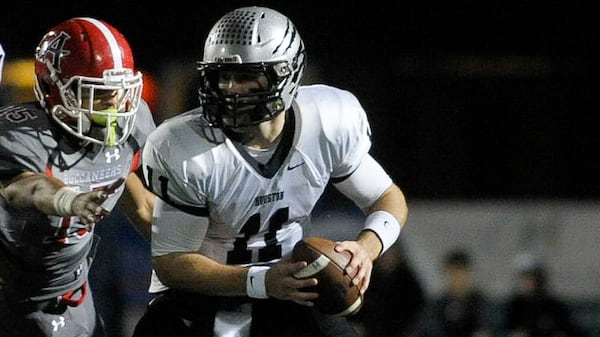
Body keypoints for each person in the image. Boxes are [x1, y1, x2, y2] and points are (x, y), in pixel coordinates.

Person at [132, 6, 408, 337]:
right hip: (201, 293)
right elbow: (173, 262)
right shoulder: (185, 146)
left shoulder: (327, 121)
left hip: (292, 285)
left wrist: (366, 248)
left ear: (287, 73)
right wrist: (262, 281)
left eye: (247, 76)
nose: (231, 88)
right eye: (222, 75)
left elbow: (387, 198)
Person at [0, 17, 156, 337]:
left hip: (73, 290)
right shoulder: (20, 134)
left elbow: (136, 197)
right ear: (54, 89)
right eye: (98, 93)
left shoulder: (133, 121)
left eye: (118, 90)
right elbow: (24, 187)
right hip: (11, 295)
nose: (114, 103)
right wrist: (68, 198)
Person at [421, 248, 493, 337]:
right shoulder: (436, 306)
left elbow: (485, 329)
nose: (457, 278)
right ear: (445, 273)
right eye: (453, 273)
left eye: (461, 273)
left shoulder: (482, 304)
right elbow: (429, 329)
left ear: (469, 274)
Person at [504, 261, 581, 337]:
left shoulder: (554, 306)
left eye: (535, 279)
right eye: (527, 279)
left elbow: (567, 328)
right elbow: (508, 328)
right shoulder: (516, 305)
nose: (531, 283)